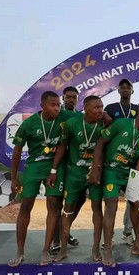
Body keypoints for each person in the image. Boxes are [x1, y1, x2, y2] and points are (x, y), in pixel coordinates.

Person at [8, 91, 73, 267]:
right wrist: (14, 178)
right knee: (26, 205)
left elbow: (62, 145)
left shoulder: (64, 118)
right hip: (34, 166)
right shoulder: (29, 124)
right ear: (42, 105)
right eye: (53, 105)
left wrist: (53, 169)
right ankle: (20, 251)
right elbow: (17, 152)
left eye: (58, 105)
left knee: (53, 204)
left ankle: (46, 250)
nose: (57, 108)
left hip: (55, 166)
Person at [88, 100, 139, 266]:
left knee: (137, 205)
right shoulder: (121, 124)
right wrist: (96, 168)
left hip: (129, 174)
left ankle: (138, 244)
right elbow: (100, 142)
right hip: (111, 170)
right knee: (111, 206)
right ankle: (108, 250)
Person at [46, 96, 105, 263]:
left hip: (95, 174)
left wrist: (97, 168)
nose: (100, 110)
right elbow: (62, 146)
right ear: (86, 108)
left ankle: (95, 249)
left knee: (97, 208)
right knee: (68, 209)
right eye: (96, 108)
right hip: (74, 174)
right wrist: (54, 169)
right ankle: (63, 249)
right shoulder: (72, 123)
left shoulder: (105, 123)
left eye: (101, 107)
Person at [104, 78, 138, 245]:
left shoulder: (138, 109)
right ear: (118, 91)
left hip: (131, 160)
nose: (125, 89)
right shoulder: (110, 109)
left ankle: (128, 232)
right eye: (122, 87)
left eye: (128, 87)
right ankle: (108, 237)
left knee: (132, 200)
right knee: (111, 202)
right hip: (113, 161)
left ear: (132, 91)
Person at [50, 86, 82, 253]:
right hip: (58, 162)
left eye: (74, 97)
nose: (71, 99)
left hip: (75, 163)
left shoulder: (80, 116)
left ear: (78, 99)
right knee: (56, 201)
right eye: (68, 97)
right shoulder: (57, 114)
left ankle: (65, 230)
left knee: (80, 198)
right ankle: (56, 240)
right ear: (63, 98)